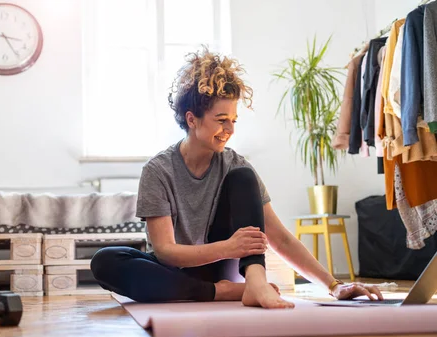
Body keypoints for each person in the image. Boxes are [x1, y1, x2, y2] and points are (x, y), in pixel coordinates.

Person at [90, 47, 384, 309]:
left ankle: (254, 282)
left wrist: (333, 285)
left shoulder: (234, 164)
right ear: (192, 119)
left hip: (222, 267)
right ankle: (222, 293)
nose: (230, 129)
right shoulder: (158, 170)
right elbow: (166, 252)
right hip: (175, 270)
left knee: (243, 176)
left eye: (233, 120)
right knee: (106, 261)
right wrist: (229, 248)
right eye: (221, 120)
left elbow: (278, 237)